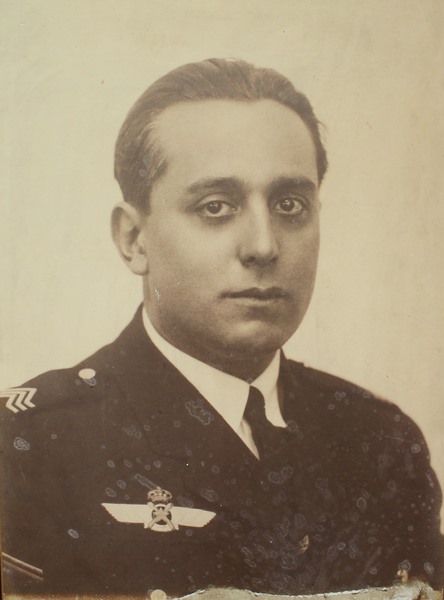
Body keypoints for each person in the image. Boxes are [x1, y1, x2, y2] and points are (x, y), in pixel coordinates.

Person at [1, 58, 442, 598]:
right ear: (134, 239)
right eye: (216, 207)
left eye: (290, 205)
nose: (263, 246)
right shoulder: (31, 445)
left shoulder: (381, 442)